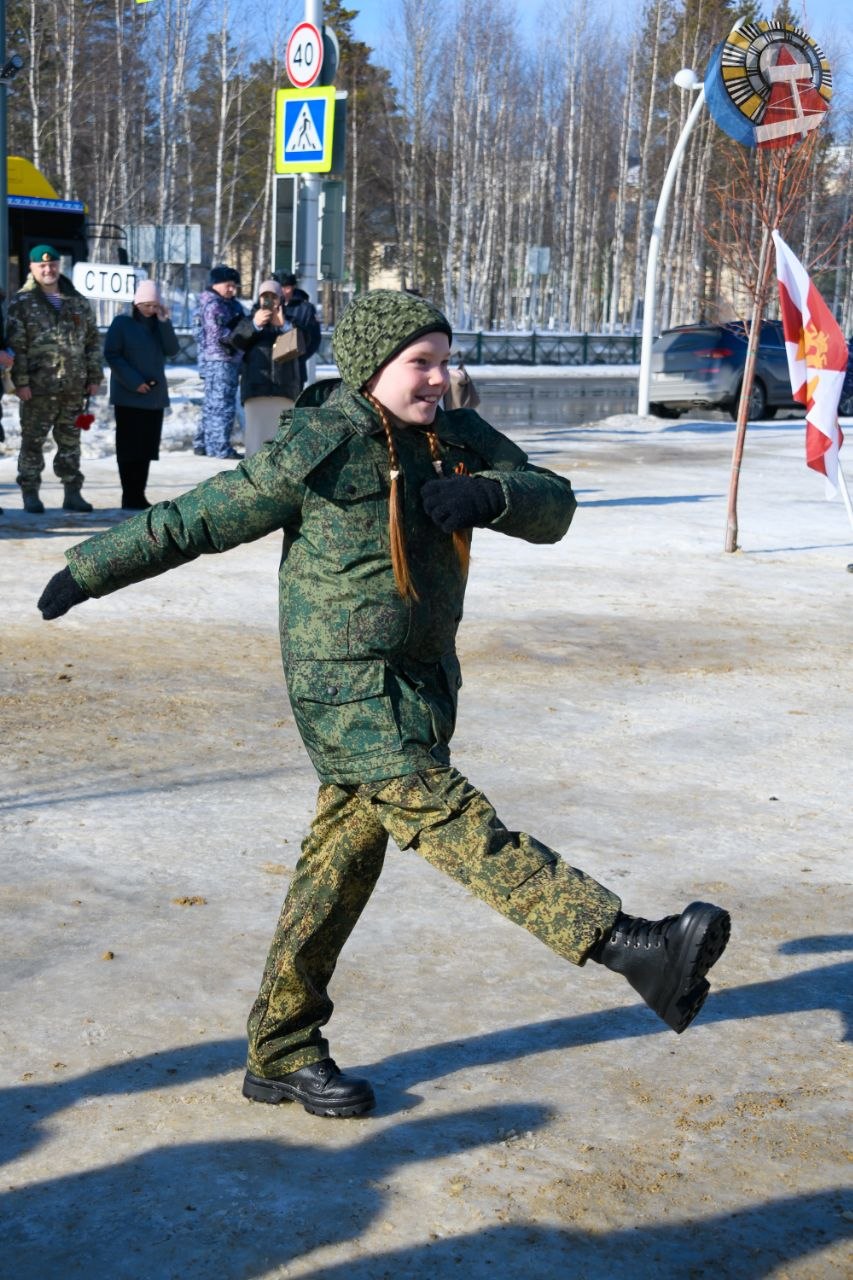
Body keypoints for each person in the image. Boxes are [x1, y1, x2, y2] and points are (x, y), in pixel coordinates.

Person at [36, 290, 731, 1120]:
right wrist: (88, 569)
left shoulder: (454, 438)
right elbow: (199, 519)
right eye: (420, 363)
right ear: (373, 368)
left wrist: (493, 497)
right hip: (341, 683)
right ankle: (627, 944)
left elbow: (554, 500)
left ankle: (280, 1049)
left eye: (444, 359)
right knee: (448, 819)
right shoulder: (322, 443)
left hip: (424, 678)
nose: (439, 378)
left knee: (339, 867)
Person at [7, 244, 102, 513]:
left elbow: (92, 342)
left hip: (73, 387)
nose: (48, 270)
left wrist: (94, 376)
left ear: (59, 265)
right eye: (42, 266)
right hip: (38, 389)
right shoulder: (22, 303)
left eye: (52, 265)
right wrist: (21, 383)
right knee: (33, 442)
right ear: (32, 268)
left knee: (71, 442)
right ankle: (30, 492)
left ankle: (72, 492)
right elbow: (18, 346)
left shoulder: (77, 301)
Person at [103, 281, 180, 510]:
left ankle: (139, 494)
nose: (151, 310)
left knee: (146, 449)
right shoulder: (122, 324)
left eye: (155, 305)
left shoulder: (159, 325)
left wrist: (165, 322)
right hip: (129, 396)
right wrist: (135, 382)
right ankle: (129, 494)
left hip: (153, 397)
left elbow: (172, 350)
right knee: (129, 448)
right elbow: (112, 354)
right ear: (137, 304)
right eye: (146, 305)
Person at [226, 279, 302, 457]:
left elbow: (301, 348)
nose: (269, 300)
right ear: (259, 299)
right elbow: (234, 343)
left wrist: (284, 327)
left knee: (283, 444)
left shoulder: (291, 321)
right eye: (264, 296)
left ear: (281, 299)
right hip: (256, 392)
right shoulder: (248, 320)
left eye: (273, 296)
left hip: (285, 391)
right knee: (255, 442)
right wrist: (254, 325)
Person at [193, 264, 244, 459]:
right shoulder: (216, 306)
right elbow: (220, 336)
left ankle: (204, 443)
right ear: (215, 284)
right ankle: (220, 447)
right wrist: (245, 333)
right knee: (222, 404)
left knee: (211, 403)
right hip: (221, 359)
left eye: (234, 286)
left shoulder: (221, 303)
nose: (232, 289)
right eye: (228, 285)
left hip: (216, 359)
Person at [276, 272, 321, 393]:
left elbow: (314, 339)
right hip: (270, 373)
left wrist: (299, 358)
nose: (283, 292)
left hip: (295, 371)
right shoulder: (267, 306)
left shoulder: (306, 308)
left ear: (293, 287)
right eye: (280, 288)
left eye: (287, 288)